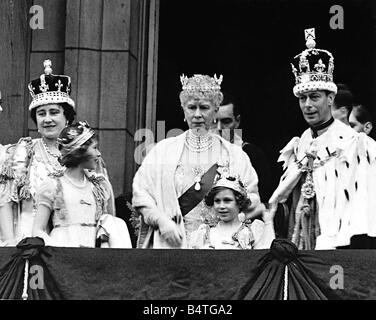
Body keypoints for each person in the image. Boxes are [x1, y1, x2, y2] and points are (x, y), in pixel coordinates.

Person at [269, 28, 376, 249]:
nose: (307, 105)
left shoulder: (355, 144)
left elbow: (364, 205)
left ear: (330, 98)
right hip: (301, 239)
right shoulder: (300, 145)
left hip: (342, 245)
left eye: (315, 97)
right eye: (303, 98)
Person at [132, 74, 262, 248]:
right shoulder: (162, 152)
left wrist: (233, 219)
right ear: (183, 110)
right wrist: (162, 221)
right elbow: (141, 194)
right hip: (173, 245)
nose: (198, 114)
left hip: (221, 248)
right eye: (192, 107)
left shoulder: (234, 156)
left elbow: (252, 198)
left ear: (216, 110)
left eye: (204, 107)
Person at [0, 60, 113, 246]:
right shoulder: (21, 152)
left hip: (73, 243)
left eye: (54, 112)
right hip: (28, 243)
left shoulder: (88, 156)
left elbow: (104, 207)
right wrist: (9, 242)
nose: (47, 119)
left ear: (67, 117)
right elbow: (5, 201)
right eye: (41, 114)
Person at [32, 122, 131, 248]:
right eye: (94, 148)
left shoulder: (99, 186)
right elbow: (38, 230)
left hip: (93, 257)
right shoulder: (53, 185)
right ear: (79, 151)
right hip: (62, 254)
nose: (99, 154)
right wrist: (57, 249)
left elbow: (107, 228)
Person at [215, 93, 274, 204]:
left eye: (226, 121)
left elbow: (264, 202)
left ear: (237, 121)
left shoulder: (253, 155)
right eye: (214, 121)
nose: (219, 128)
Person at [190, 175, 275, 249]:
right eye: (217, 201)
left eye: (227, 200)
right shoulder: (204, 233)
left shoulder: (252, 231)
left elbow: (267, 260)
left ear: (239, 203)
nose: (221, 206)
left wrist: (269, 223)